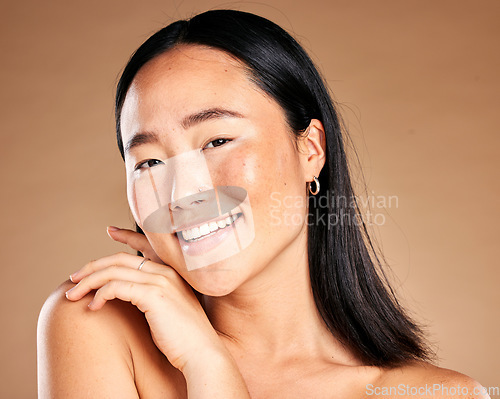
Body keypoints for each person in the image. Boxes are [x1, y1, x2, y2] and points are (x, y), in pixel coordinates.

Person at [37, 9, 488, 398]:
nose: (183, 193)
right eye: (149, 162)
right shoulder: (94, 320)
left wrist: (210, 367)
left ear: (310, 151)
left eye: (217, 140)